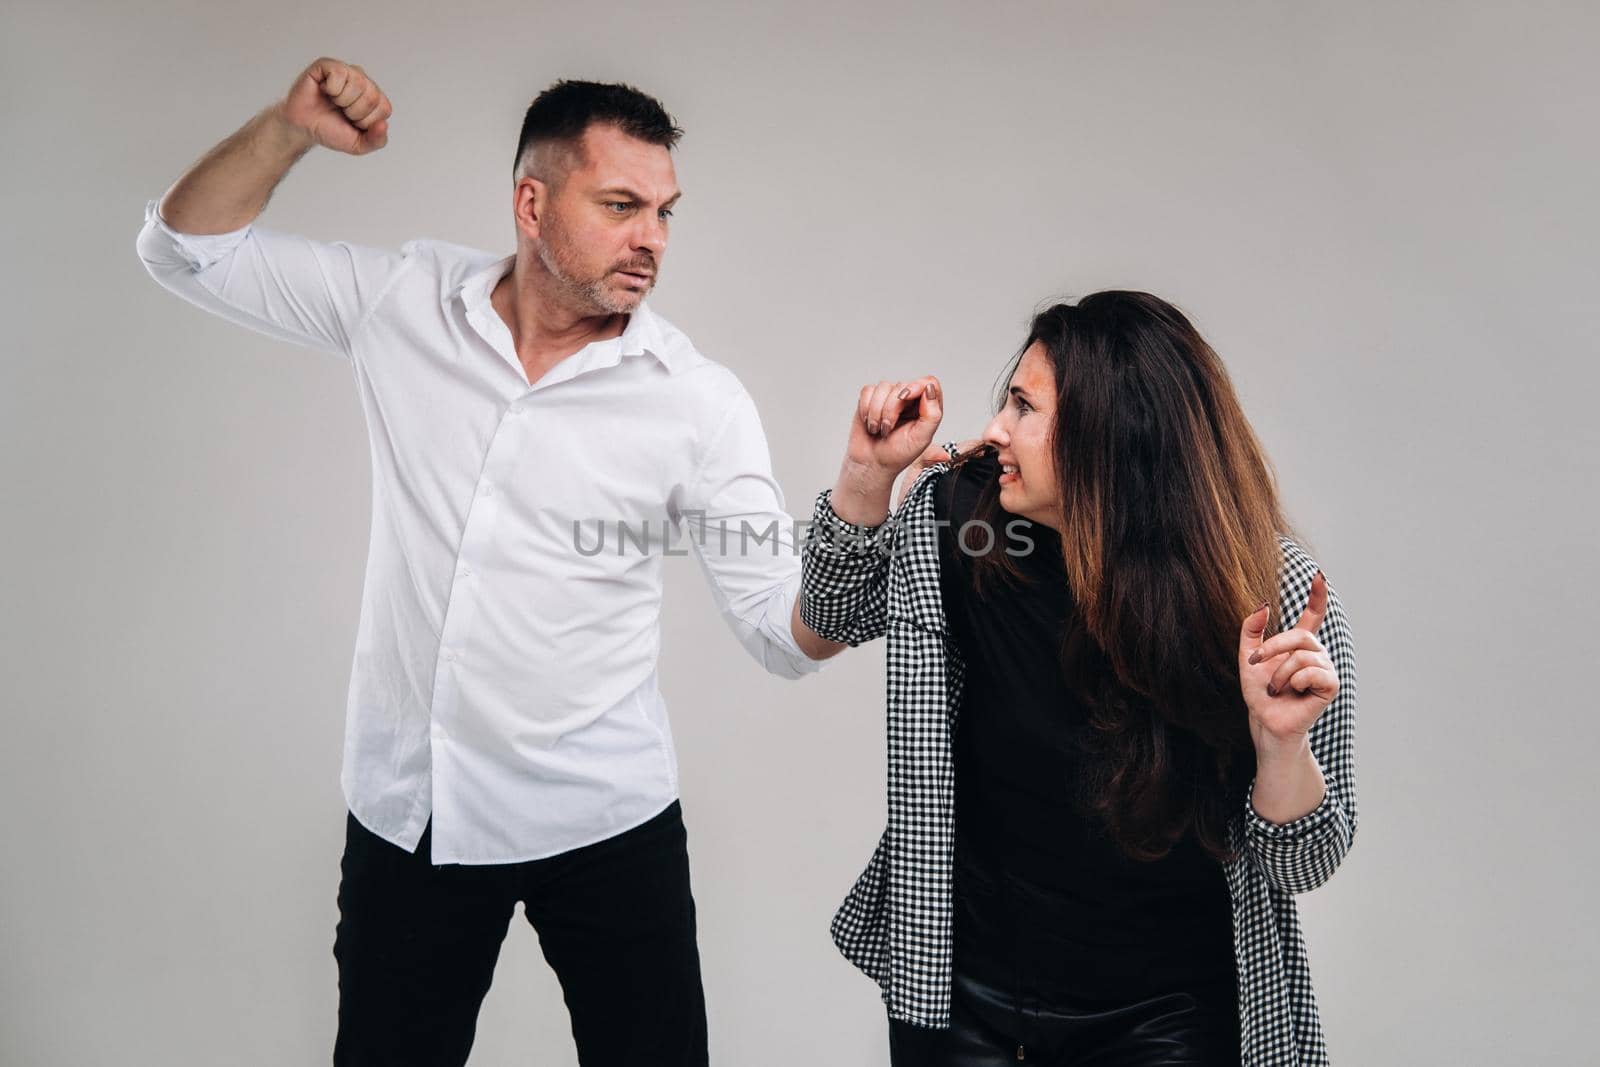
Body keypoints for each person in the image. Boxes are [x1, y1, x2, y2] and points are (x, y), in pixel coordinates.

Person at [135, 59, 846, 1066]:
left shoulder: (696, 400)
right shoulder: (404, 304)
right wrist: (287, 130)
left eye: (665, 211)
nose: (651, 238)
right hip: (411, 814)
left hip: (607, 823)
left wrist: (859, 500)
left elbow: (784, 632)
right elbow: (182, 252)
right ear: (531, 200)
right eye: (620, 205)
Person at [799, 291, 1357, 1066]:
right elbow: (829, 615)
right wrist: (866, 473)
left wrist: (1281, 748)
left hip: (1171, 1008)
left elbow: (1307, 862)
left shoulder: (1267, 595)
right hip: (970, 992)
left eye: (1024, 407)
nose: (995, 427)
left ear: (1114, 438)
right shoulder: (964, 516)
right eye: (1007, 399)